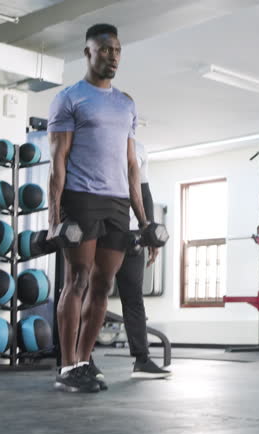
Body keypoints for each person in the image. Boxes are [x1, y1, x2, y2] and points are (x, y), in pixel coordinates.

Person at [47, 23, 149, 393]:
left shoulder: (126, 104)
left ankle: (84, 362)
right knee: (77, 279)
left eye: (117, 50)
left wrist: (143, 218)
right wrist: (53, 219)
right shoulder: (70, 98)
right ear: (88, 52)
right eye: (105, 49)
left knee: (104, 285)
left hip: (117, 202)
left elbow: (131, 165)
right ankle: (67, 365)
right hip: (81, 196)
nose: (113, 56)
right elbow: (58, 162)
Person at [113, 133, 171, 378]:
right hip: (105, 231)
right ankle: (75, 361)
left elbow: (144, 192)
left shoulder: (140, 149)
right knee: (87, 295)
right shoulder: (99, 142)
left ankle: (142, 360)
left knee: (134, 297)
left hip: (132, 236)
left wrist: (150, 236)